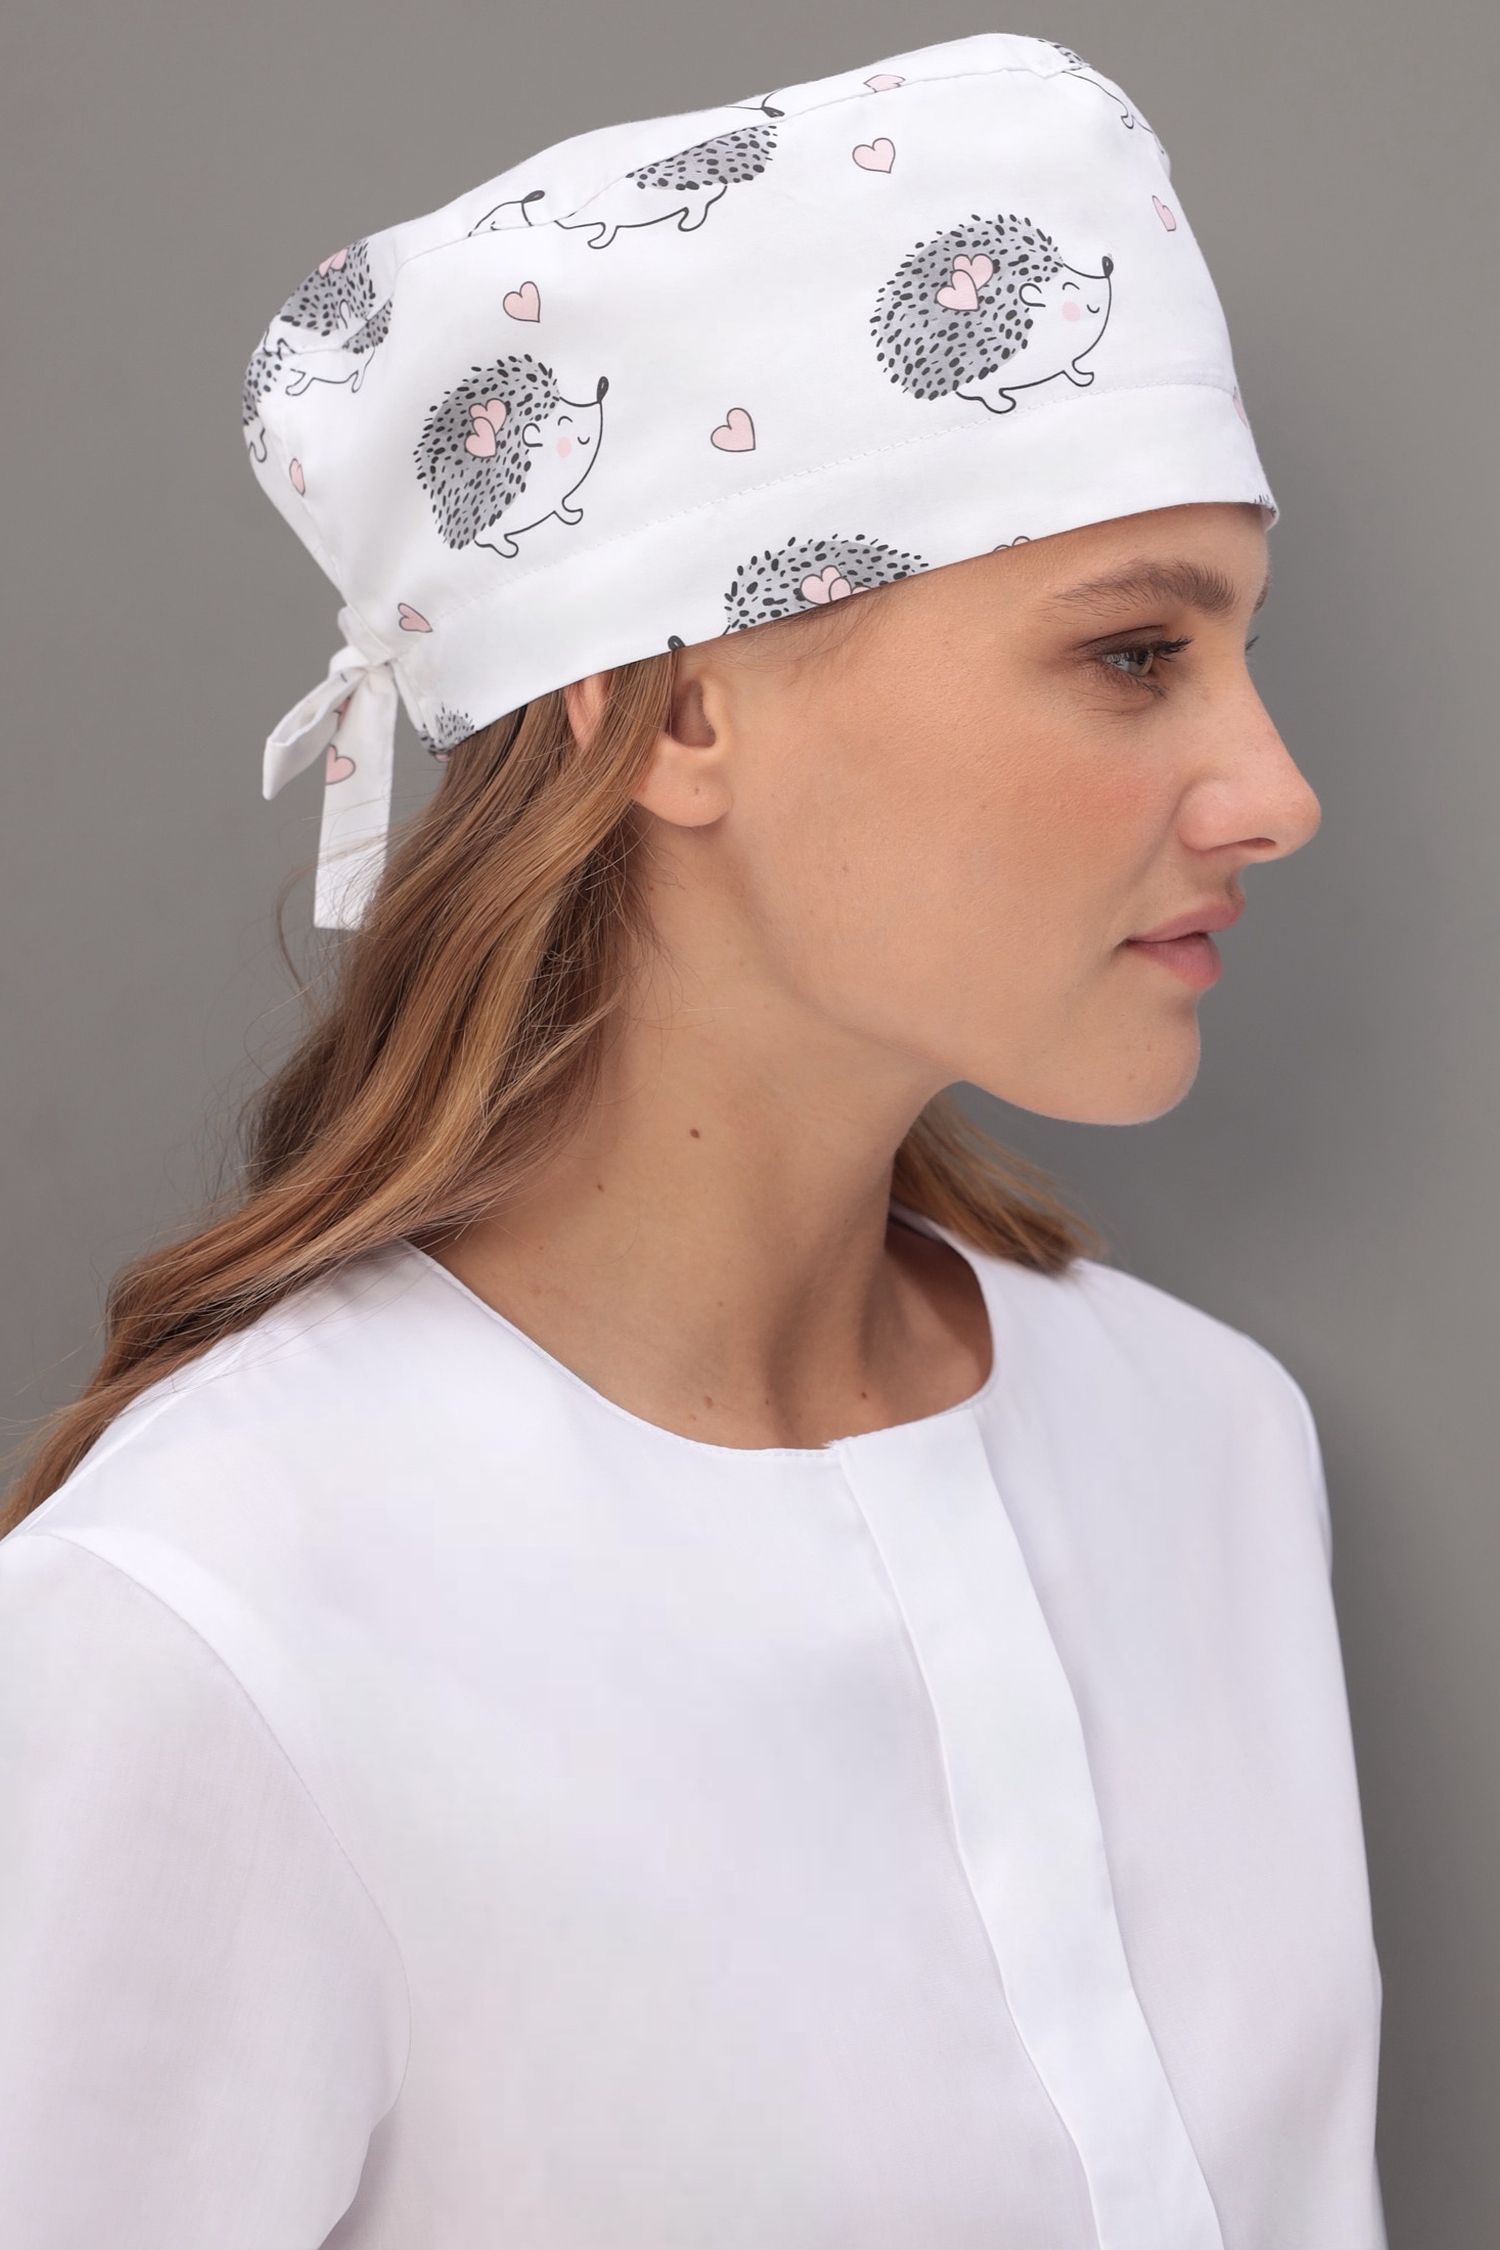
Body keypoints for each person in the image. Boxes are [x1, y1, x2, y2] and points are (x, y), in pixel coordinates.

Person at [0, 34, 1384, 2250]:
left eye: (1238, 652)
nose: (1277, 790)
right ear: (674, 705)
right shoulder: (215, 1620)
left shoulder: (1208, 1448)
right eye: (1136, 655)